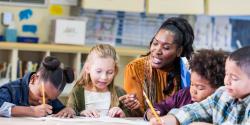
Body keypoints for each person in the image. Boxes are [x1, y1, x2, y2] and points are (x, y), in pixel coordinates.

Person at [150, 46, 250, 125]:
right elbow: (194, 111)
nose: (227, 81)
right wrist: (168, 121)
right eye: (227, 74)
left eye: (234, 78)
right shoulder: (222, 94)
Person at [119, 17, 194, 116]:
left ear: (179, 51)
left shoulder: (186, 72)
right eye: (155, 43)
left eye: (166, 47)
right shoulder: (136, 68)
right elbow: (135, 113)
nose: (157, 51)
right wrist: (134, 107)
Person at [145, 49, 227, 121]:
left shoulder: (223, 106)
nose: (193, 91)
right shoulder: (184, 94)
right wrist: (152, 113)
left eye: (200, 88)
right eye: (191, 84)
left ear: (219, 88)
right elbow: (163, 106)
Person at [58, 44, 130, 118]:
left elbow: (132, 114)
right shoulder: (77, 92)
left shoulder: (120, 93)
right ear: (88, 68)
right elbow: (70, 111)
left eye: (109, 72)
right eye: (99, 71)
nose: (104, 77)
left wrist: (123, 113)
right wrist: (81, 113)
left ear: (115, 71)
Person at [0, 56, 74, 117]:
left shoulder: (49, 98)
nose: (43, 101)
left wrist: (67, 110)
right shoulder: (12, 90)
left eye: (50, 99)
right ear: (33, 79)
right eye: (41, 95)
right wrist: (32, 111)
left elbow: (61, 109)